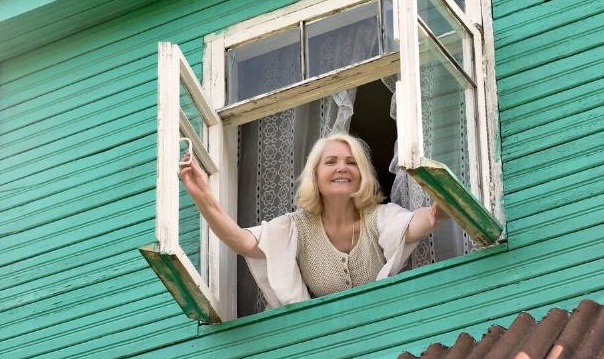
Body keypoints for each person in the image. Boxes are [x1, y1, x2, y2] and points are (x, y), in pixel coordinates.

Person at [180, 132, 446, 309]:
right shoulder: (296, 227)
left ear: (361, 174)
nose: (342, 167)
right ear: (315, 175)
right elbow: (240, 240)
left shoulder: (379, 217)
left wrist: (440, 208)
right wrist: (203, 195)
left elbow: (414, 224)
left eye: (351, 162)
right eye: (331, 162)